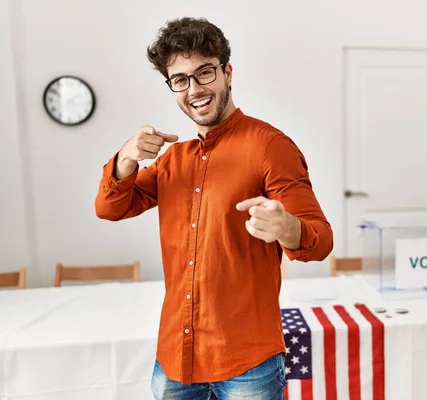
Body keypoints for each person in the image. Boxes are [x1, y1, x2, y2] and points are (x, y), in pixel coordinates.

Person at [94, 17, 333, 400]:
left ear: (227, 72)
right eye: (180, 79)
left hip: (247, 364)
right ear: (172, 86)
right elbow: (109, 207)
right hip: (175, 358)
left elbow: (320, 240)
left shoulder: (270, 146)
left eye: (205, 73)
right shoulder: (174, 160)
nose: (195, 89)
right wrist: (126, 157)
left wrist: (286, 227)